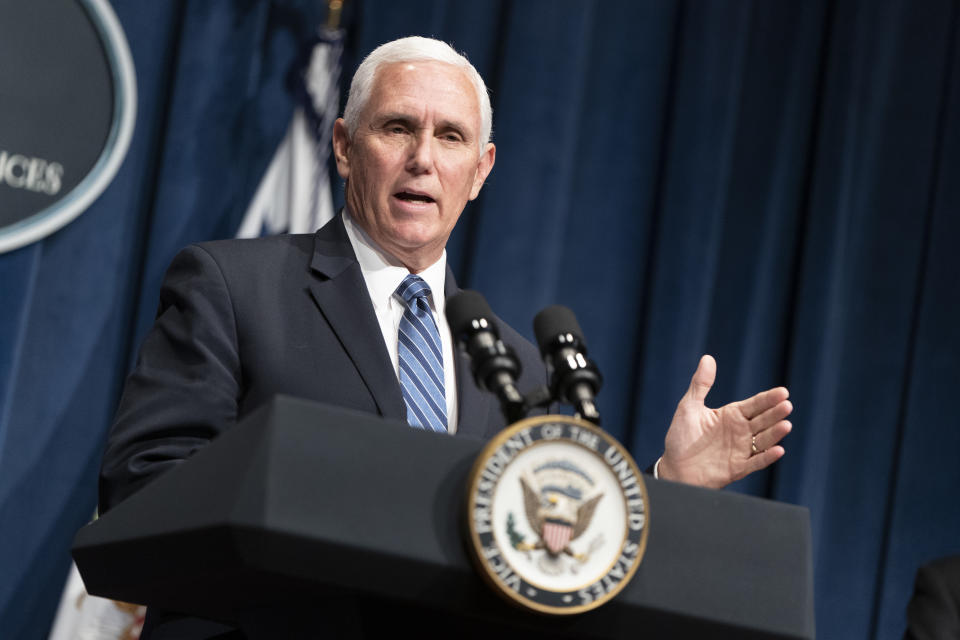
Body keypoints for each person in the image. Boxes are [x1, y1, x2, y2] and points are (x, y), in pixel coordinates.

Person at [99, 36, 793, 637]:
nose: (422, 159)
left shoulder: (517, 369)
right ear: (344, 145)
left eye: (450, 137)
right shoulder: (234, 284)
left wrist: (667, 485)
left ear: (481, 170)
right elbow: (144, 484)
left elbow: (541, 556)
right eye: (398, 128)